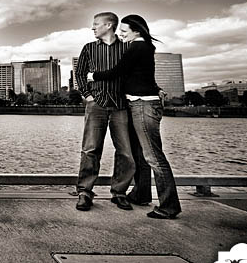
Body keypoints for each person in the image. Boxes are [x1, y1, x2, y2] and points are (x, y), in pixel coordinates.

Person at [88, 14, 182, 219]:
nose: (121, 34)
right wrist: (157, 88)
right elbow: (142, 75)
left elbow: (118, 71)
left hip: (143, 105)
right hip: (136, 103)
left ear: (136, 31)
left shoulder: (138, 47)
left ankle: (169, 206)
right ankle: (141, 194)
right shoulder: (143, 47)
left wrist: (93, 76)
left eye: (124, 31)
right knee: (139, 153)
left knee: (154, 157)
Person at [74, 12, 136, 212]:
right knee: (90, 149)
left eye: (96, 25)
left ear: (108, 25)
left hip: (120, 106)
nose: (93, 28)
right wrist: (87, 95)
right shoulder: (89, 48)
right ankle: (85, 192)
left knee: (126, 152)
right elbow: (80, 73)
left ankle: (119, 193)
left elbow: (137, 73)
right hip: (96, 104)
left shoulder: (127, 47)